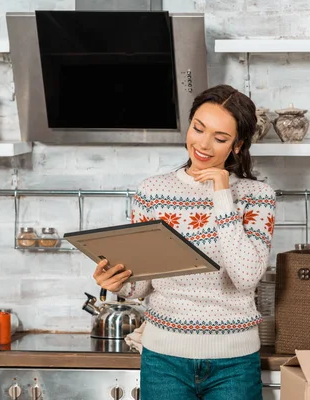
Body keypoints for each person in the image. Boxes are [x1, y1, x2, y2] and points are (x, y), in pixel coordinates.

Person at [93, 84, 277, 400]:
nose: (203, 144)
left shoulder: (257, 196)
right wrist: (116, 282)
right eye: (198, 129)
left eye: (219, 138)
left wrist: (222, 195)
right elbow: (140, 288)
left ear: (237, 145)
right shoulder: (152, 192)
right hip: (164, 359)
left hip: (234, 362)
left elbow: (245, 277)